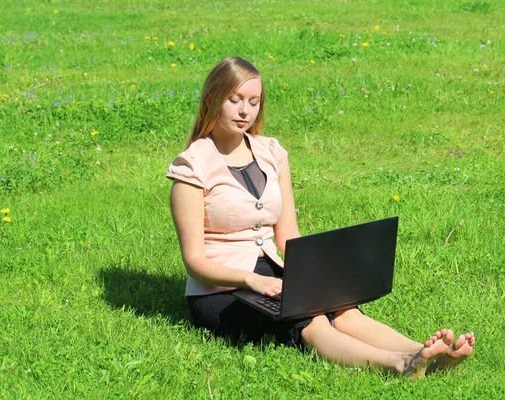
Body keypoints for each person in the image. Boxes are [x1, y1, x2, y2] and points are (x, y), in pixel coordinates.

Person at [167, 56, 475, 378]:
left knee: (342, 309)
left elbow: (288, 238)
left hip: (273, 272)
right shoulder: (191, 167)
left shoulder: (271, 153)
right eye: (235, 100)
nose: (245, 111)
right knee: (310, 319)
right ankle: (399, 366)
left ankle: (423, 354)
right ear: (213, 99)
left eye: (254, 102)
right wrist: (251, 279)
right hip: (222, 292)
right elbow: (194, 261)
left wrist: (323, 276)